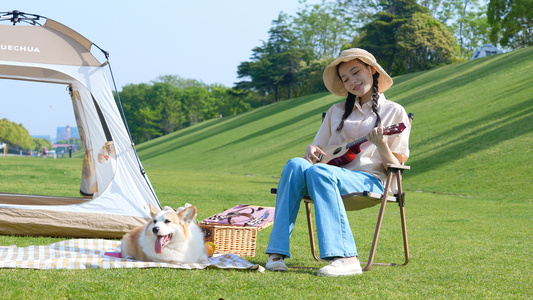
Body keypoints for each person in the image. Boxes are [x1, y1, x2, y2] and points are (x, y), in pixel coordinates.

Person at [265, 48, 411, 277]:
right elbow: (318, 153)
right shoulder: (336, 111)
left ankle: (346, 258)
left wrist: (381, 144)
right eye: (346, 79)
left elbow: (396, 166)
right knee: (295, 164)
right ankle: (277, 253)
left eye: (356, 73)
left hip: (370, 181)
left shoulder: (394, 111)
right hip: (326, 175)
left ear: (372, 71)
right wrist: (310, 150)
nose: (352, 81)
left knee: (319, 173)